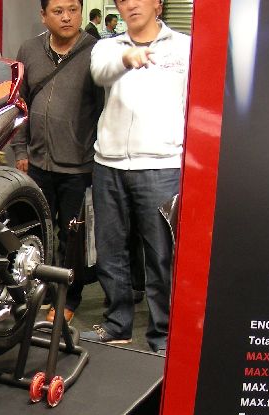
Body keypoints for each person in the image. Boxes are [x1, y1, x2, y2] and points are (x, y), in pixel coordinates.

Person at [82, 0, 190, 353]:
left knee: (161, 256)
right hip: (109, 164)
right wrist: (127, 59)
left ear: (158, 3)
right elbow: (101, 73)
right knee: (110, 251)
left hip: (162, 165)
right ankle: (117, 325)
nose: (131, 4)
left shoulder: (184, 48)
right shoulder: (107, 47)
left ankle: (164, 335)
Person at [11, 0, 103, 324]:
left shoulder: (95, 52)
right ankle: (42, 293)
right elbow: (19, 104)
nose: (66, 17)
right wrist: (20, 151)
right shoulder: (29, 50)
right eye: (58, 11)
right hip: (37, 163)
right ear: (43, 16)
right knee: (38, 232)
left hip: (79, 166)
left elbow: (103, 110)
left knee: (72, 238)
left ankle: (69, 297)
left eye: (73, 10)